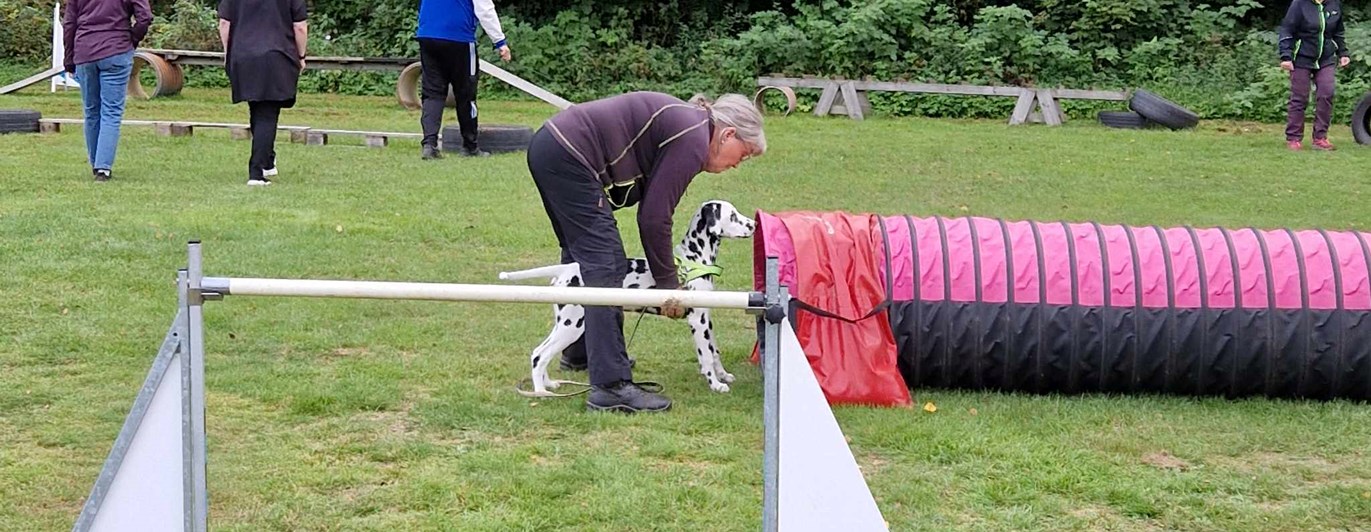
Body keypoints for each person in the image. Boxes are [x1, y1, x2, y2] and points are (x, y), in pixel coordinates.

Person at [526, 92, 766, 413]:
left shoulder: (691, 127)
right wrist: (669, 287)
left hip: (553, 147)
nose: (738, 163)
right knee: (605, 262)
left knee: (584, 254)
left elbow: (650, 201)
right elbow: (654, 217)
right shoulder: (694, 138)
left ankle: (582, 350)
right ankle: (611, 387)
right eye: (745, 154)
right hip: (568, 154)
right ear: (728, 134)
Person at [218, 0, 308, 185]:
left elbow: (224, 22)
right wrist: (301, 56)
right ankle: (256, 173)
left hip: (243, 55)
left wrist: (229, 53)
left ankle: (267, 161)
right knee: (268, 113)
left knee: (257, 106)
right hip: (277, 54)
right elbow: (299, 26)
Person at [62, 0, 152, 182]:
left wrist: (69, 58)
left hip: (85, 51)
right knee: (111, 111)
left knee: (91, 111)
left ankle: (96, 163)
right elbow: (145, 18)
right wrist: (132, 39)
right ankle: (103, 168)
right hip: (116, 50)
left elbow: (69, 23)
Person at [415, 0, 512, 160]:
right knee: (466, 94)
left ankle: (429, 145)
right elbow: (485, 10)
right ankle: (470, 145)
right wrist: (499, 42)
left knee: (432, 93)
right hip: (459, 37)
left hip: (428, 35)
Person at [1279, 0, 1350, 151]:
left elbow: (1338, 32)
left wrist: (1343, 53)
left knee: (1326, 94)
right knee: (1300, 97)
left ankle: (1320, 138)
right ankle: (1293, 138)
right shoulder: (1299, 4)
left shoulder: (1334, 4)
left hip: (1326, 58)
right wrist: (1286, 56)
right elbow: (1287, 30)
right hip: (1301, 58)